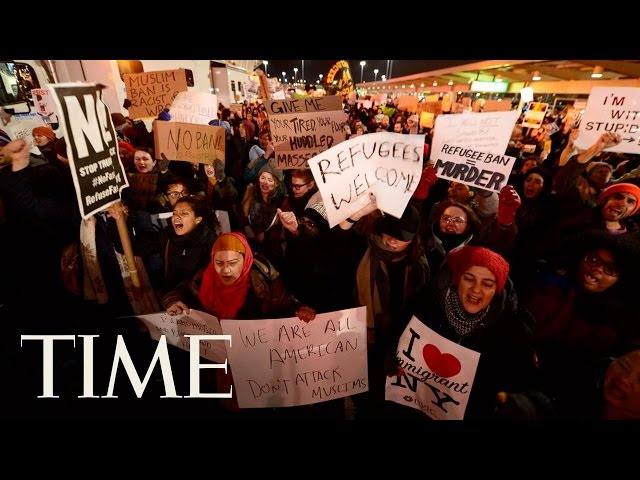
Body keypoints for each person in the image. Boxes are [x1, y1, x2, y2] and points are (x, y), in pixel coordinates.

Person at [410, 246, 542, 419]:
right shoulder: (427, 305)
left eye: (487, 284)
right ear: (457, 280)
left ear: (496, 290)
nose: (476, 289)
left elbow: (521, 385)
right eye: (469, 279)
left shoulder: (513, 332)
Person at [195, 232, 315, 413]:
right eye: (219, 263)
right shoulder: (202, 281)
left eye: (233, 263)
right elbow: (181, 298)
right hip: (228, 371)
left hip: (265, 369)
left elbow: (285, 305)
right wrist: (173, 301)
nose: (225, 270)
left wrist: (300, 311)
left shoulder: (266, 278)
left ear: (246, 260)